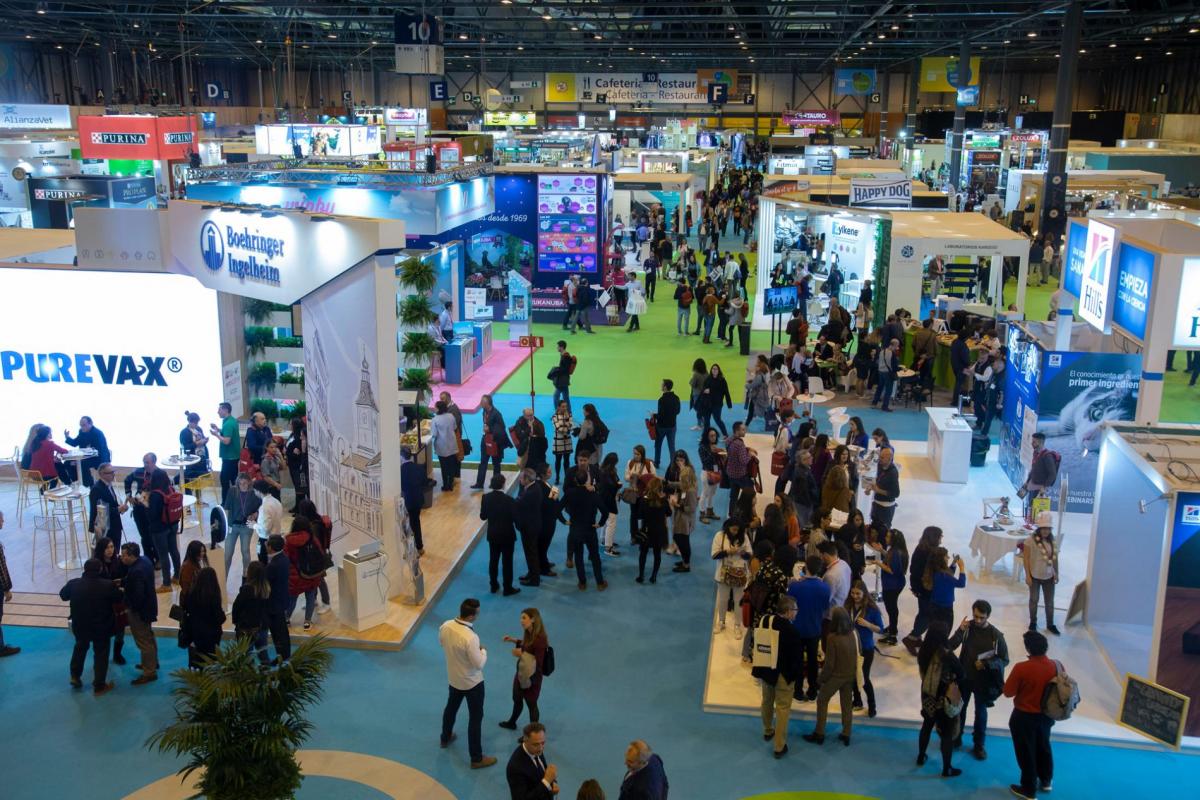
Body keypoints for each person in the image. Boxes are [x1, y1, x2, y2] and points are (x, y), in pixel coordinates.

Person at [948, 599, 1010, 760]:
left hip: (983, 682)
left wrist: (987, 664)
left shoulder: (996, 636)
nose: (977, 620)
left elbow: (1004, 660)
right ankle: (956, 737)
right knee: (960, 710)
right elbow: (950, 646)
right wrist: (959, 631)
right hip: (965, 678)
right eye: (975, 616)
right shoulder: (967, 628)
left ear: (988, 616)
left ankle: (979, 745)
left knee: (981, 714)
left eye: (982, 617)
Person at [439, 598, 496, 769]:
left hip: (454, 679)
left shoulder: (445, 626)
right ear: (471, 616)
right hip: (472, 684)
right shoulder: (471, 637)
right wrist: (483, 651)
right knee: (475, 718)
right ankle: (476, 758)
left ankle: (445, 737)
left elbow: (442, 643)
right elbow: (479, 664)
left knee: (451, 708)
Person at [1004, 631, 1059, 799]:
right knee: (1044, 746)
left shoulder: (1022, 668)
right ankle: (1046, 780)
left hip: (1024, 717)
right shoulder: (1057, 665)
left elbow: (1008, 692)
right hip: (1047, 716)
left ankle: (1028, 789)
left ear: (1028, 648)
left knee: (1026, 752)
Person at [59, 558, 119, 695]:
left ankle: (75, 676)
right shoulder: (107, 585)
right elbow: (119, 598)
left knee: (80, 648)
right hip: (102, 627)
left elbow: (63, 595)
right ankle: (99, 685)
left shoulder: (74, 584)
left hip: (80, 625)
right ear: (100, 569)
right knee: (101, 654)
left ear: (85, 569)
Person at [753, 594, 803, 758]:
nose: (797, 612)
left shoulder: (765, 620)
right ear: (788, 612)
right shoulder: (792, 632)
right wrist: (795, 679)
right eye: (795, 609)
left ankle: (768, 730)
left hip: (766, 671)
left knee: (767, 701)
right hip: (784, 676)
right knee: (782, 709)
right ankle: (779, 746)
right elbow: (796, 660)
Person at [802, 606, 859, 746]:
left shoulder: (832, 638)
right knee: (847, 705)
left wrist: (820, 680)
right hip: (850, 676)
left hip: (836, 677)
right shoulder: (854, 633)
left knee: (822, 700)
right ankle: (846, 733)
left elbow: (829, 665)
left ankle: (819, 733)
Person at [916, 621, 966, 778]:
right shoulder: (947, 655)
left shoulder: (924, 651)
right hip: (943, 699)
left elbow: (948, 644)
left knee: (927, 725)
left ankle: (921, 756)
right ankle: (946, 768)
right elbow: (962, 673)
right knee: (946, 734)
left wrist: (959, 631)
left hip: (927, 696)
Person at [127, 453, 178, 590]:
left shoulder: (155, 494)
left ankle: (166, 583)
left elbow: (152, 514)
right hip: (172, 524)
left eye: (147, 462)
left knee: (163, 554)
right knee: (173, 550)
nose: (145, 465)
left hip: (159, 528)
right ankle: (177, 576)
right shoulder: (169, 489)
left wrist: (144, 503)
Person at [787, 554, 831, 701]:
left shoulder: (795, 586)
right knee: (813, 661)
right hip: (814, 628)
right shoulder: (825, 588)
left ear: (806, 567)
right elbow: (825, 608)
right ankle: (813, 690)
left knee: (797, 660)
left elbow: (788, 605)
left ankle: (798, 690)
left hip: (797, 628)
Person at [500, 608, 550, 729]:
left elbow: (538, 662)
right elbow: (528, 645)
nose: (521, 621)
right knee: (517, 699)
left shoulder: (540, 639)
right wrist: (514, 640)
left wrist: (521, 654)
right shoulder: (529, 632)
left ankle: (533, 733)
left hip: (533, 677)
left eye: (524, 618)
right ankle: (512, 723)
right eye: (521, 618)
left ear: (532, 619)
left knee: (531, 704)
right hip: (521, 673)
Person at [119, 542, 159, 685]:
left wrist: (129, 607)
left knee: (143, 641)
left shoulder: (136, 571)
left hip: (140, 612)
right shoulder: (145, 561)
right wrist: (123, 582)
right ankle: (152, 663)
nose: (121, 557)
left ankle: (149, 672)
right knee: (149, 636)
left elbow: (137, 595)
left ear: (131, 556)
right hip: (149, 607)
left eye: (123, 555)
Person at [846, 580, 884, 717]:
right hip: (851, 647)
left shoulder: (872, 609)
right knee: (852, 676)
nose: (855, 596)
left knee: (864, 677)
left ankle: (872, 705)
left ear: (864, 593)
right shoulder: (847, 606)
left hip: (866, 649)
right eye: (852, 593)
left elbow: (881, 629)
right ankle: (857, 701)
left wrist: (868, 624)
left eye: (858, 593)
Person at [903, 526, 944, 655]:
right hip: (926, 589)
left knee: (923, 613)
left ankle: (916, 638)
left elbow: (914, 570)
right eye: (940, 536)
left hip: (920, 588)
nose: (941, 539)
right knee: (927, 616)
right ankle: (912, 637)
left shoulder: (921, 548)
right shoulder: (930, 552)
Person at [480, 474, 520, 596]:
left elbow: (483, 516)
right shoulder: (510, 500)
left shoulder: (486, 498)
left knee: (493, 560)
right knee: (507, 562)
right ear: (503, 484)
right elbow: (515, 519)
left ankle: (493, 585)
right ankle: (507, 588)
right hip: (507, 535)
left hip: (493, 534)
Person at [1024, 513, 1061, 635]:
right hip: (1034, 575)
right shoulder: (1030, 540)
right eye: (1043, 528)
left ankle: (1050, 624)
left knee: (1049, 602)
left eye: (1048, 528)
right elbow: (1026, 558)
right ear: (1039, 528)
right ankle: (1033, 622)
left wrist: (1056, 572)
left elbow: (1055, 558)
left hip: (1049, 576)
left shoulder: (1053, 540)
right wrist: (1027, 575)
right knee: (1034, 599)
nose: (1046, 531)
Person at [284, 517, 324, 631]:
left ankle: (286, 618)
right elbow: (320, 553)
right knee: (310, 597)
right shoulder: (312, 538)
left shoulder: (289, 541)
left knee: (292, 598)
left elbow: (286, 558)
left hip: (295, 575)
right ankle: (307, 622)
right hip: (311, 575)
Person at [182, 567, 225, 668]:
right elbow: (220, 618)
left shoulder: (190, 594)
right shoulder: (214, 597)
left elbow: (186, 611)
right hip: (212, 636)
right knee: (210, 660)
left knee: (196, 659)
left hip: (195, 633)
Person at [506, 722, 558, 800]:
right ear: (525, 740)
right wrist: (547, 782)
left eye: (543, 743)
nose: (541, 748)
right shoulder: (515, 768)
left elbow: (542, 770)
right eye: (536, 744)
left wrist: (552, 783)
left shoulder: (536, 749)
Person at [223, 471, 261, 577]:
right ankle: (223, 579)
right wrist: (226, 525)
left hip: (247, 526)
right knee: (228, 554)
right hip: (232, 526)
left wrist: (255, 514)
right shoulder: (232, 491)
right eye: (240, 483)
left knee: (245, 551)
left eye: (245, 483)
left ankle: (246, 577)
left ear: (249, 482)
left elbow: (261, 507)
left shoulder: (254, 493)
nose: (242, 486)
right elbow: (226, 508)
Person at [262, 534, 291, 662]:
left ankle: (282, 657)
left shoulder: (273, 565)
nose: (265, 544)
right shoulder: (283, 558)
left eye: (267, 543)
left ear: (271, 547)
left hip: (274, 604)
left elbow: (265, 582)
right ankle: (285, 655)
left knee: (278, 633)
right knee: (282, 631)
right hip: (281, 600)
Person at [634, 477, 670, 584]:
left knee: (643, 553)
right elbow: (669, 513)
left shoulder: (644, 500)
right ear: (660, 488)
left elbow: (639, 515)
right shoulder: (664, 500)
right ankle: (653, 576)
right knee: (657, 554)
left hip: (646, 531)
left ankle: (641, 576)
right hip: (659, 531)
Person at [667, 451, 698, 572]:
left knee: (683, 541)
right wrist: (669, 483)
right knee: (678, 538)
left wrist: (678, 506)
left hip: (685, 520)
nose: (680, 479)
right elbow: (679, 485)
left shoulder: (690, 490)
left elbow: (692, 508)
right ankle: (685, 560)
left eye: (682, 478)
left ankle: (686, 564)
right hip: (681, 518)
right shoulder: (686, 485)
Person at [473, 395, 512, 489]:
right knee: (483, 462)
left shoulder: (497, 414)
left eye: (482, 402)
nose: (480, 403)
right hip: (486, 439)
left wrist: (489, 429)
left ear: (487, 403)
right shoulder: (484, 411)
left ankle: (496, 484)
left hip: (495, 441)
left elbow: (502, 427)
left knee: (496, 464)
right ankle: (479, 483)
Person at [232, 560, 270, 655]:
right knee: (263, 655)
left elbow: (236, 607)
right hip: (262, 626)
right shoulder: (266, 589)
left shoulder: (246, 590)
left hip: (247, 628)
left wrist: (235, 621)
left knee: (245, 656)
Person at [878, 528, 909, 644]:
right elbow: (892, 560)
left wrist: (878, 563)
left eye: (888, 537)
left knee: (891, 608)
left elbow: (892, 570)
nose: (885, 538)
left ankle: (892, 634)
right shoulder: (896, 550)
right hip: (894, 584)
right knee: (892, 607)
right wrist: (882, 550)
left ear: (894, 540)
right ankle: (892, 627)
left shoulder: (896, 552)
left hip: (892, 585)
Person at [926, 547, 967, 628]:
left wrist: (954, 563)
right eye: (946, 556)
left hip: (933, 605)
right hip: (945, 609)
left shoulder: (935, 571)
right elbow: (961, 583)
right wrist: (962, 567)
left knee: (933, 627)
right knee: (945, 629)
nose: (948, 557)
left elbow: (948, 573)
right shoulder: (945, 576)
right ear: (941, 559)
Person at [516, 469, 544, 587]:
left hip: (529, 527)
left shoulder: (530, 493)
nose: (519, 480)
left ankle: (534, 579)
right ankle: (532, 573)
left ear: (527, 479)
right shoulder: (534, 486)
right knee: (531, 552)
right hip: (532, 524)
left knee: (531, 553)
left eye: (521, 478)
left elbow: (517, 504)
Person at [88, 463, 127, 548]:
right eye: (110, 472)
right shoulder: (96, 489)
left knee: (116, 550)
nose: (113, 474)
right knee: (107, 552)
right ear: (102, 474)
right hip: (105, 528)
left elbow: (111, 503)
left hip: (115, 525)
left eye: (114, 472)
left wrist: (121, 508)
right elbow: (99, 511)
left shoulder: (108, 485)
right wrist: (118, 509)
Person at [64, 416, 110, 487]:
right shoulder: (81, 432)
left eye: (84, 425)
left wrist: (88, 451)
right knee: (67, 463)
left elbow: (100, 450)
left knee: (82, 464)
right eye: (81, 425)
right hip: (85, 457)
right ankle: (77, 481)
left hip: (99, 458)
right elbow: (75, 443)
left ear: (91, 423)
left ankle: (90, 485)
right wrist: (67, 437)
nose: (82, 427)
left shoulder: (97, 433)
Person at [1021, 434, 1059, 516]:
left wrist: (1044, 487)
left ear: (1041, 443)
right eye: (1032, 441)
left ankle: (1034, 521)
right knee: (1029, 506)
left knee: (1036, 510)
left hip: (1039, 488)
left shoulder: (1047, 456)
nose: (1031, 443)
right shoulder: (1035, 453)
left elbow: (1053, 474)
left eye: (1034, 442)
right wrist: (1027, 481)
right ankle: (1029, 520)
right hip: (1032, 484)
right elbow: (1033, 469)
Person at [724, 422, 755, 520]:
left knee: (733, 495)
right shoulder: (739, 444)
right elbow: (744, 461)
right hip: (741, 475)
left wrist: (746, 449)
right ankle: (748, 514)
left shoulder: (729, 439)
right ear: (737, 431)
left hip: (730, 472)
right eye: (743, 430)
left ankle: (731, 514)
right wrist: (750, 454)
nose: (745, 431)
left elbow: (733, 452)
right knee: (749, 494)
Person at [210, 402, 241, 499]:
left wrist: (216, 434)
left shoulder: (228, 423)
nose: (217, 412)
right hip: (233, 456)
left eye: (219, 409)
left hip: (229, 457)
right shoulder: (231, 420)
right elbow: (227, 432)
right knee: (233, 479)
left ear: (226, 410)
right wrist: (218, 429)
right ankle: (235, 500)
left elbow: (227, 441)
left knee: (224, 480)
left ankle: (225, 502)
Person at [399, 447, 427, 556]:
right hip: (418, 500)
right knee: (416, 522)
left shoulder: (400, 471)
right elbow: (424, 483)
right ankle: (419, 547)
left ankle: (410, 550)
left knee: (407, 525)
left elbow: (400, 487)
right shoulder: (419, 468)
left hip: (407, 502)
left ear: (401, 457)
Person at [865, 446, 900, 533]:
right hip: (876, 504)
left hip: (886, 509)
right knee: (873, 530)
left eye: (882, 457)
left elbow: (896, 493)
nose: (879, 459)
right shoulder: (880, 465)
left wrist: (878, 490)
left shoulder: (893, 473)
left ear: (889, 459)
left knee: (882, 533)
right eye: (880, 456)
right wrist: (870, 488)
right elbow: (878, 480)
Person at [431, 401, 461, 492]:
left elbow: (434, 434)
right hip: (452, 445)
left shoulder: (435, 419)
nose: (434, 409)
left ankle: (445, 485)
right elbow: (455, 428)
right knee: (451, 465)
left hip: (441, 446)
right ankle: (450, 484)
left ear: (438, 409)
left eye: (435, 407)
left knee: (444, 467)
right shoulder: (451, 416)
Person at [652, 379, 681, 470]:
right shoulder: (676, 398)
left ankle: (656, 463)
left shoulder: (661, 400)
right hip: (672, 426)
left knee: (658, 445)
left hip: (661, 427)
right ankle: (673, 464)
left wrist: (654, 415)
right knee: (672, 446)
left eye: (662, 384)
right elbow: (678, 411)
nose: (661, 386)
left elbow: (661, 416)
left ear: (665, 387)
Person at [697, 364, 732, 436]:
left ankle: (725, 435)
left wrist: (729, 404)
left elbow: (726, 392)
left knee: (718, 420)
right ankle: (705, 436)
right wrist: (704, 391)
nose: (714, 370)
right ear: (711, 370)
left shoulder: (722, 380)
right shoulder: (708, 379)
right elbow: (703, 389)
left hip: (717, 404)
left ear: (718, 370)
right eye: (713, 369)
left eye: (716, 369)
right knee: (706, 421)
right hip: (707, 404)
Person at [254, 478, 284, 561]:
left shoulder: (264, 507)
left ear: (258, 491)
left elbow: (265, 529)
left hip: (266, 541)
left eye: (255, 491)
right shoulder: (276, 501)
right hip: (277, 537)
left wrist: (254, 525)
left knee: (263, 562)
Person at [178, 411, 211, 483]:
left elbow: (202, 438)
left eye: (197, 422)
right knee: (191, 480)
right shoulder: (184, 432)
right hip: (191, 460)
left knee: (201, 479)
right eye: (194, 422)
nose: (196, 424)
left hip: (201, 457)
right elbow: (186, 447)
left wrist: (205, 440)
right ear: (189, 421)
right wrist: (197, 443)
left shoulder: (199, 429)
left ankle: (198, 490)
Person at [284, 417, 308, 512]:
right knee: (296, 486)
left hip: (298, 467)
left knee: (300, 488)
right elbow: (289, 448)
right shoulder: (292, 435)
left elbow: (297, 454)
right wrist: (287, 450)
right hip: (291, 465)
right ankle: (297, 506)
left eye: (291, 424)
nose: (289, 425)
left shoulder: (299, 437)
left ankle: (300, 509)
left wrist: (287, 451)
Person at [871, 338, 900, 412]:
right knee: (888, 390)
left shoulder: (882, 351)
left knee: (879, 388)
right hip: (888, 373)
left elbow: (877, 361)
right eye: (897, 346)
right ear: (895, 345)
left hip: (880, 372)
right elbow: (894, 367)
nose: (897, 347)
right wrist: (901, 368)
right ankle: (885, 406)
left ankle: (874, 403)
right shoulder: (892, 354)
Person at [551, 341, 574, 410]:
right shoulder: (563, 355)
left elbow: (565, 369)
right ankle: (569, 413)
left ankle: (558, 412)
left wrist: (556, 371)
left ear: (561, 347)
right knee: (566, 397)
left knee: (555, 396)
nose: (557, 348)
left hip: (562, 380)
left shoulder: (565, 356)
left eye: (558, 346)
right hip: (564, 379)